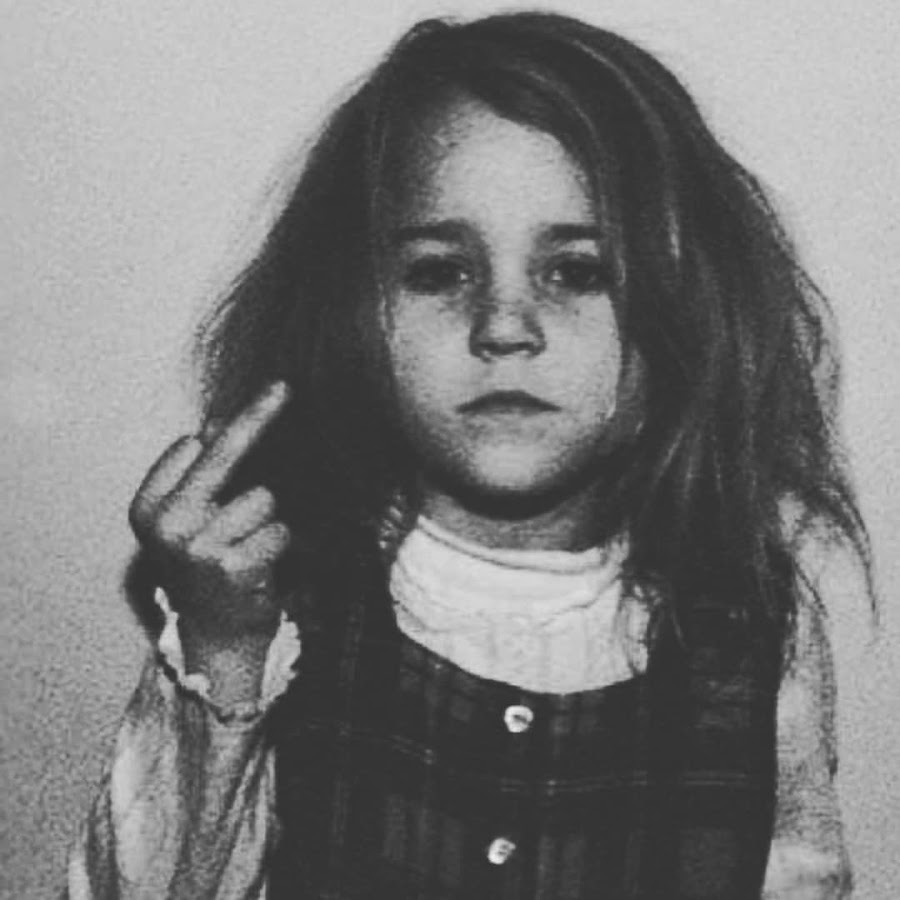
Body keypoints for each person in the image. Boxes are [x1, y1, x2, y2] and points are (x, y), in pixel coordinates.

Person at [67, 11, 872, 899]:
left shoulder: (748, 620)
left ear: (688, 309)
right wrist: (223, 646)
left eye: (577, 271)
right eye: (441, 272)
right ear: (353, 312)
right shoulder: (277, 597)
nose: (503, 326)